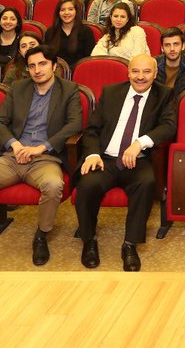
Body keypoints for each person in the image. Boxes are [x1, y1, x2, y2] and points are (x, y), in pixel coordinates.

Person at [0, 45, 82, 272]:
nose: (37, 70)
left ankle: (41, 235)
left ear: (54, 66)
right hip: (12, 156)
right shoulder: (18, 89)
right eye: (32, 66)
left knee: (54, 184)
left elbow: (74, 124)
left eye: (43, 64)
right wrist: (15, 145)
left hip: (45, 159)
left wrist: (41, 148)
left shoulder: (69, 90)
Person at [75, 54, 177, 272]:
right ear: (128, 72)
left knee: (146, 183)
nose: (140, 77)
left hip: (138, 160)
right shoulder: (111, 92)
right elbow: (92, 129)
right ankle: (89, 241)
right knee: (87, 185)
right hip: (106, 159)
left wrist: (140, 143)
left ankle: (130, 245)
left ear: (155, 73)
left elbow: (168, 126)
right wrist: (92, 154)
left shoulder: (164, 94)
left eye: (146, 72)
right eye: (136, 71)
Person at [44, 0, 96, 66]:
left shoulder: (86, 31)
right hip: (56, 72)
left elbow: (88, 59)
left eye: (70, 9)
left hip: (78, 72)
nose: (66, 13)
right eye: (62, 10)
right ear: (58, 13)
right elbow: (47, 56)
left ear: (76, 11)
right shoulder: (51, 31)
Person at [155, 27, 185, 97]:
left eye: (176, 44)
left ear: (183, 46)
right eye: (167, 45)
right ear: (162, 48)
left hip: (180, 105)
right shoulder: (153, 64)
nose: (172, 49)